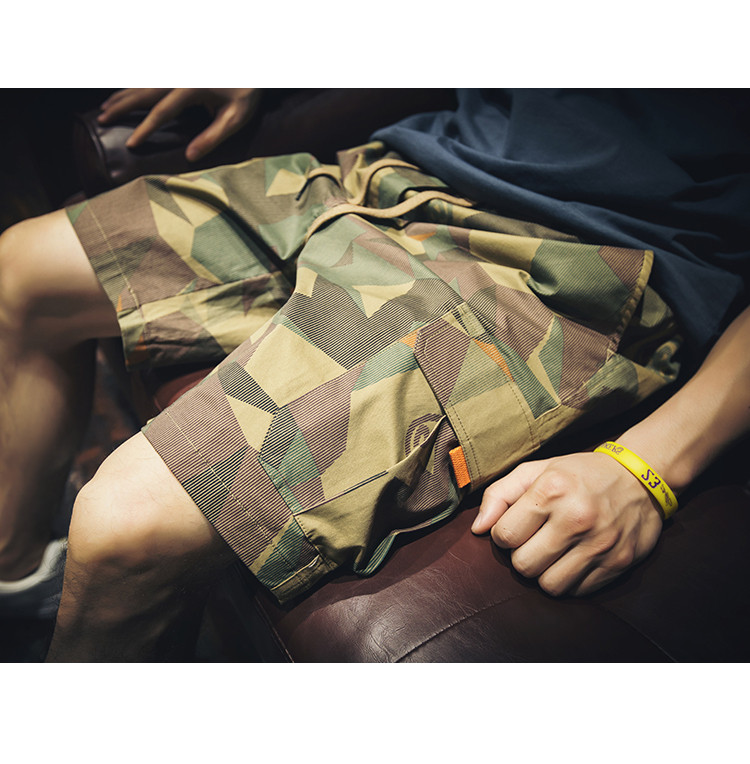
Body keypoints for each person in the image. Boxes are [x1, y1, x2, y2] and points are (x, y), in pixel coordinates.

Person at [0, 88, 747, 662]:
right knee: (19, 275)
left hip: (564, 264)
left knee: (123, 524)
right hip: (412, 170)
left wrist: (648, 466)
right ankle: (23, 588)